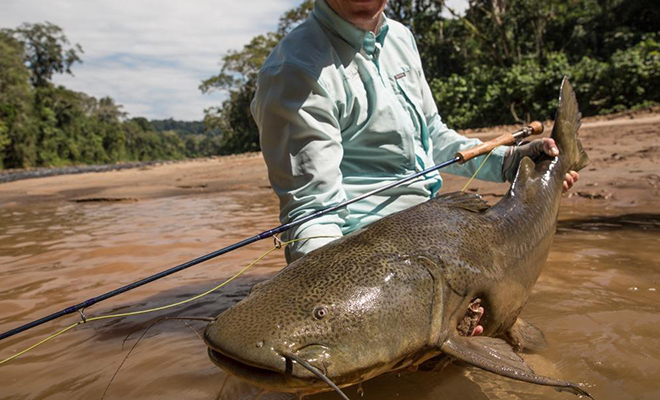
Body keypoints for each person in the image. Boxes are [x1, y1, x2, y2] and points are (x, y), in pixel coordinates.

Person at [252, 0, 578, 265]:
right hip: (362, 252)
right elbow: (312, 213)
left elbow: (433, 137)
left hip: (434, 226)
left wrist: (513, 161)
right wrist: (321, 286)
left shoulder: (400, 37)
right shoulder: (293, 71)